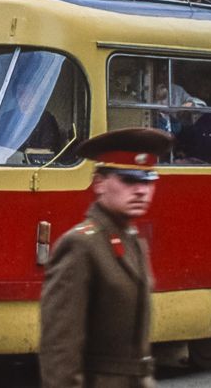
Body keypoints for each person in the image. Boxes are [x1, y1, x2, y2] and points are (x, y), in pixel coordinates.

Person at [39, 127, 171, 388]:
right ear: (99, 183)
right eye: (129, 180)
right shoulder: (80, 245)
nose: (141, 191)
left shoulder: (132, 240)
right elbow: (60, 351)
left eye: (147, 181)